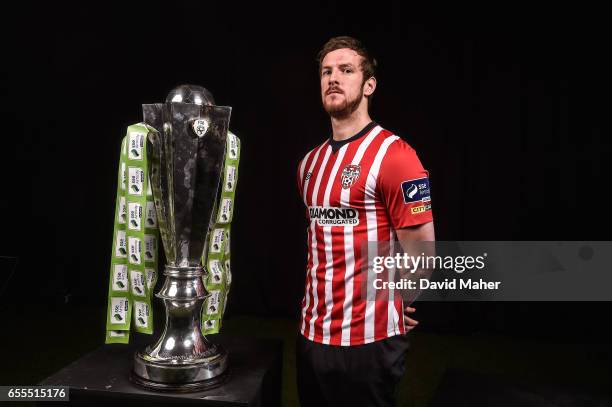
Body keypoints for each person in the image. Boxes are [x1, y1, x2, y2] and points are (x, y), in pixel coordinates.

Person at [295, 36, 435, 406]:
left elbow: (422, 252)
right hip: (312, 336)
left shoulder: (396, 156)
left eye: (346, 70)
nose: (333, 78)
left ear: (369, 85)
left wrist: (392, 305)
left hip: (369, 345)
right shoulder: (309, 165)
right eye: (326, 71)